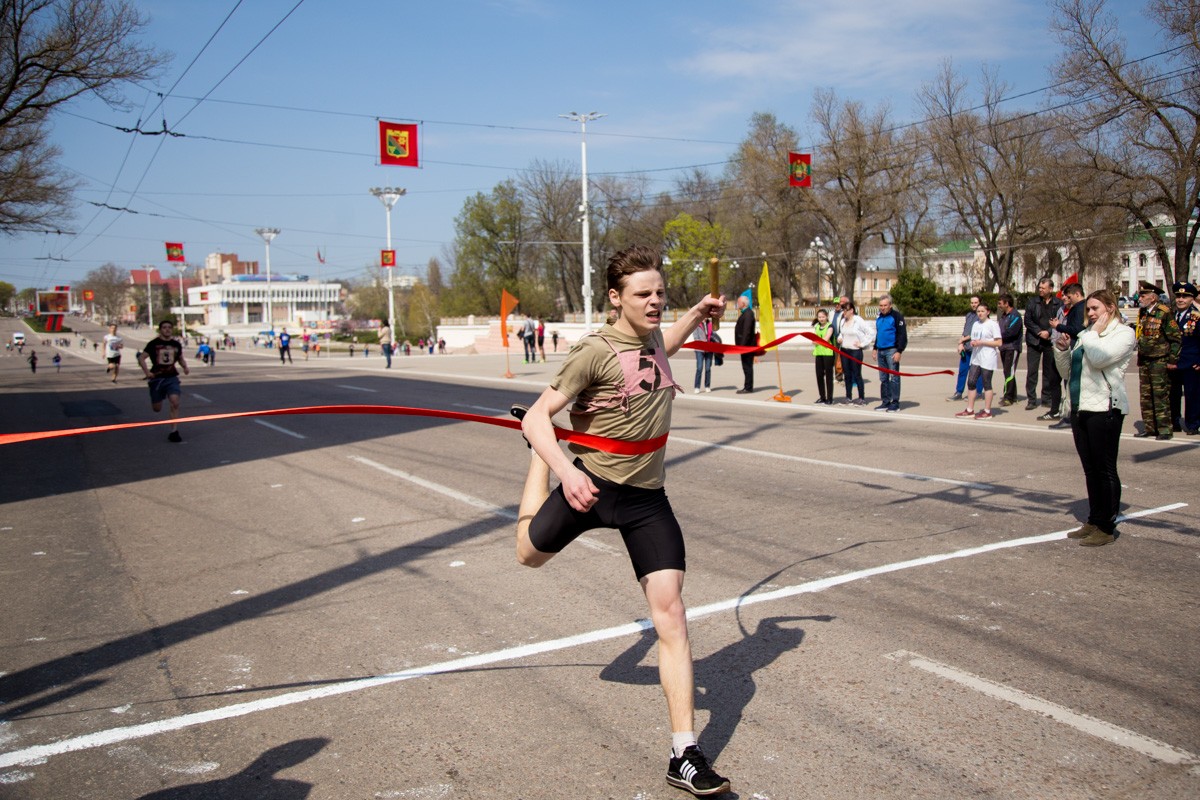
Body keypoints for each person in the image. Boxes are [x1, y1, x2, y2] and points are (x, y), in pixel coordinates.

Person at [513, 245, 731, 797]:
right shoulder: (593, 351)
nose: (655, 301)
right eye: (643, 294)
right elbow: (537, 416)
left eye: (660, 292)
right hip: (589, 486)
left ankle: (684, 753)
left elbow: (665, 346)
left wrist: (696, 314)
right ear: (616, 298)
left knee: (672, 614)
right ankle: (537, 465)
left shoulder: (654, 335)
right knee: (527, 555)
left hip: (646, 500)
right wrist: (561, 467)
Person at [1054, 289, 1136, 546]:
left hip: (1105, 408)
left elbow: (1100, 360)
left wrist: (1091, 334)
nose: (1089, 313)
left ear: (1110, 308)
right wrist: (1062, 351)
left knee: (1105, 468)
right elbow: (1068, 372)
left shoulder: (1123, 333)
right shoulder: (1088, 335)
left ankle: (1106, 526)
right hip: (1081, 407)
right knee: (1090, 469)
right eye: (1088, 308)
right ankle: (1094, 519)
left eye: (1095, 308)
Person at [1133, 280, 1182, 440]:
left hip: (1159, 360)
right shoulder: (1143, 312)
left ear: (1153, 297)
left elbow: (1175, 339)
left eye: (1143, 295)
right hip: (1145, 360)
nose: (1140, 298)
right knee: (1145, 396)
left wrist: (1172, 360)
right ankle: (1150, 428)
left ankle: (1165, 430)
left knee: (1160, 395)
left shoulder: (1164, 312)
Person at [136, 320, 191, 443]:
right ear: (160, 330)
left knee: (175, 402)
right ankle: (157, 397)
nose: (167, 329)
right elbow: (141, 358)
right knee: (157, 408)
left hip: (171, 377)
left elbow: (180, 358)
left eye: (169, 327)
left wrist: (185, 367)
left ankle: (174, 431)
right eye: (164, 327)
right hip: (157, 378)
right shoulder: (153, 344)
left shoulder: (176, 344)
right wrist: (147, 372)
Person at [1045, 281, 1087, 426]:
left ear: (1077, 294)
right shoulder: (1077, 308)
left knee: (1071, 385)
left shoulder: (1080, 308)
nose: (1067, 299)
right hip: (1072, 347)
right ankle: (1070, 415)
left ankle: (1071, 417)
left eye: (1069, 296)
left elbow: (1077, 329)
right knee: (1067, 382)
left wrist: (1059, 326)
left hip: (1077, 349)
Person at [953, 300, 1002, 420]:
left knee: (986, 383)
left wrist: (982, 342)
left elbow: (999, 342)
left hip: (988, 357)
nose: (980, 313)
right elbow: (973, 338)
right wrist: (969, 343)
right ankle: (970, 409)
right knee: (971, 382)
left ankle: (987, 411)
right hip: (976, 357)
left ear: (988, 312)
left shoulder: (992, 324)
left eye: (982, 311)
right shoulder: (976, 324)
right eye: (978, 311)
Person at [1024, 278, 1063, 413]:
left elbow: (1060, 320)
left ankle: (1046, 398)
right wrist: (1039, 332)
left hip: (1050, 340)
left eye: (1043, 288)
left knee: (1049, 371)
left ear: (1050, 289)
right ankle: (1031, 400)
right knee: (1032, 371)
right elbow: (1027, 320)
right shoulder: (1032, 302)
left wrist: (1049, 332)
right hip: (1034, 340)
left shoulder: (1058, 303)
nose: (1040, 290)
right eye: (1039, 288)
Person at [1167, 281, 1200, 435]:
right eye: (1178, 296)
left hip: (1191, 363)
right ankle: (1174, 422)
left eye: (1184, 297)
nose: (1180, 299)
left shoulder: (1196, 317)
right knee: (1173, 395)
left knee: (1192, 395)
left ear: (1192, 298)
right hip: (1173, 363)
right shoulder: (1171, 316)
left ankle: (1193, 424)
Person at [872, 294, 907, 412]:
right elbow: (879, 334)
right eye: (881, 305)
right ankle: (885, 401)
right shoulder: (879, 317)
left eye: (885, 305)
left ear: (890, 305)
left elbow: (902, 335)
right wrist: (875, 348)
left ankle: (895, 403)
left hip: (892, 350)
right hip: (881, 351)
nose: (882, 308)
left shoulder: (897, 317)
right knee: (883, 378)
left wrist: (899, 351)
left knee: (894, 377)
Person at [836, 301, 872, 405]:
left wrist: (862, 343)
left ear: (851, 310)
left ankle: (861, 398)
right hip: (844, 350)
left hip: (855, 351)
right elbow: (842, 333)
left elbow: (870, 332)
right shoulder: (843, 321)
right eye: (843, 310)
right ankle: (848, 397)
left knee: (857, 374)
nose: (844, 312)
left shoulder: (858, 320)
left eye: (845, 310)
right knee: (847, 375)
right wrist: (839, 338)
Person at [948, 296, 983, 402]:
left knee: (977, 372)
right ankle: (959, 392)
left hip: (976, 349)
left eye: (976, 302)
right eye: (972, 303)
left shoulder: (981, 316)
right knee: (962, 371)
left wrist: (962, 340)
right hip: (966, 348)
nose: (974, 304)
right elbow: (965, 330)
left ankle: (978, 393)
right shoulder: (968, 315)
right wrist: (961, 344)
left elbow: (977, 333)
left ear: (980, 303)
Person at [996, 294, 1024, 406]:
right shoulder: (1003, 316)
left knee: (1009, 371)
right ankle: (1013, 395)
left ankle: (1008, 397)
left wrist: (997, 337)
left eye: (1000, 303)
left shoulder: (1015, 316)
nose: (998, 306)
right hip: (1003, 347)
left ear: (1007, 303)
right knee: (1007, 371)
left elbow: (1011, 332)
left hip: (1012, 347)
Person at [811, 308, 835, 404]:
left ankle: (829, 398)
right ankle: (822, 397)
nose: (821, 319)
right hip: (819, 353)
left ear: (826, 317)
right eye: (819, 317)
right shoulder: (817, 327)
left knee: (829, 376)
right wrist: (814, 341)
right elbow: (814, 339)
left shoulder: (830, 326)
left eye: (823, 317)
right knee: (819, 375)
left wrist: (817, 341)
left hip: (828, 353)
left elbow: (826, 339)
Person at [734, 294, 756, 394]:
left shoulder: (748, 314)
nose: (737, 304)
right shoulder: (746, 313)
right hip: (745, 346)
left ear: (743, 304)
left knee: (747, 367)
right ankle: (747, 386)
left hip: (747, 347)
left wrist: (742, 347)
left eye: (738, 302)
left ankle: (748, 387)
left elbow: (746, 332)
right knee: (746, 367)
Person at [691, 317, 714, 393]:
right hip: (699, 350)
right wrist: (704, 346)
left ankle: (707, 386)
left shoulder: (710, 324)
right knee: (699, 368)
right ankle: (697, 387)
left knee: (708, 369)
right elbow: (696, 338)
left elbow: (712, 336)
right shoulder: (696, 324)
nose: (705, 317)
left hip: (709, 350)